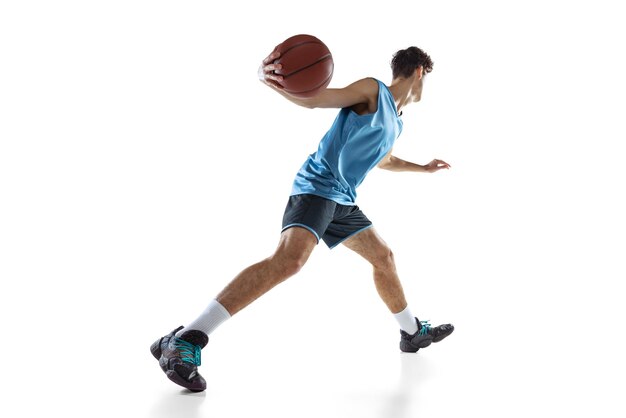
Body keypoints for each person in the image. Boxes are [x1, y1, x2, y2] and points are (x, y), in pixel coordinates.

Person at [150, 45, 454, 392]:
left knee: (383, 258)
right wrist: (271, 80)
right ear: (419, 72)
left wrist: (422, 168)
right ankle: (187, 338)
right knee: (289, 261)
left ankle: (412, 333)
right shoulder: (374, 92)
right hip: (318, 187)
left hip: (342, 199)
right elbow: (317, 98)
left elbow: (384, 160)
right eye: (426, 77)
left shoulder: (396, 121)